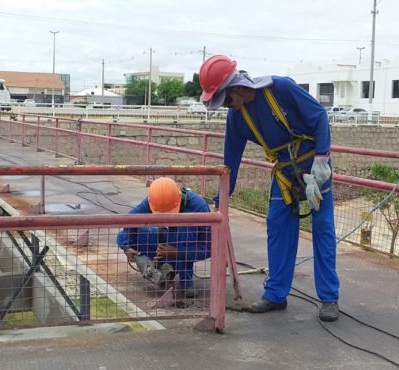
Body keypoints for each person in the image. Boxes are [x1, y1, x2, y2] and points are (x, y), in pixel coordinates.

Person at [199, 55, 340, 321]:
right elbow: (231, 158)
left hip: (314, 165)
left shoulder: (281, 89)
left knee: (322, 227)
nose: (228, 106)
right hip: (286, 170)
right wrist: (223, 196)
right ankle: (276, 295)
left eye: (227, 100)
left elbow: (319, 116)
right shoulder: (237, 118)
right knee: (277, 226)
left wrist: (321, 161)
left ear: (237, 87)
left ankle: (329, 298)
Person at [116, 177, 211, 297]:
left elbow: (209, 248)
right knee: (122, 237)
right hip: (167, 240)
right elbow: (129, 222)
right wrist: (127, 247)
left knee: (183, 232)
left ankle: (186, 282)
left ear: (179, 198)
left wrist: (177, 253)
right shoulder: (154, 200)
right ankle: (157, 268)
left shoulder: (198, 206)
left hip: (185, 245)